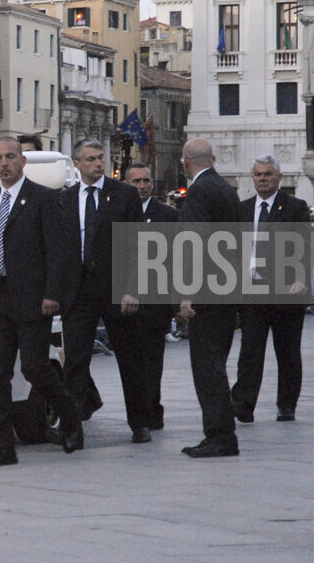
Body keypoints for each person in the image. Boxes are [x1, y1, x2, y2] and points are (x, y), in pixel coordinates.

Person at [0, 138, 80, 466]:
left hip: (31, 299)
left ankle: (71, 417)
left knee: (34, 368)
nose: (4, 164)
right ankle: (2, 446)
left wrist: (53, 294)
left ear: (22, 161)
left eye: (10, 157)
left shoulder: (44, 199)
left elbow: (59, 252)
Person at [58, 139, 152, 445]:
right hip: (78, 290)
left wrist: (131, 289)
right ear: (77, 164)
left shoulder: (124, 195)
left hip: (116, 288)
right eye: (90, 159)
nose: (98, 164)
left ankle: (140, 423)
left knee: (131, 357)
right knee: (75, 361)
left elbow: (136, 243)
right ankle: (73, 428)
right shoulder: (65, 199)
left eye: (101, 158)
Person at [231, 156, 311, 424]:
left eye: (267, 174)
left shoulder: (295, 207)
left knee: (287, 351)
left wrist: (301, 277)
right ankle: (243, 404)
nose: (262, 179)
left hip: (286, 289)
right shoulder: (242, 210)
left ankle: (287, 404)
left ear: (279, 177)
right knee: (250, 351)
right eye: (257, 174)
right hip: (253, 290)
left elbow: (304, 245)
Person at [175, 139, 243, 458]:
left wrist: (187, 295)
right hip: (227, 290)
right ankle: (220, 432)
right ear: (212, 159)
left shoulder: (199, 192)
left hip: (206, 293)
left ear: (185, 163)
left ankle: (220, 435)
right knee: (216, 363)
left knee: (207, 367)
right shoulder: (227, 190)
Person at [125, 162, 178, 430]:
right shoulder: (119, 211)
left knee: (153, 361)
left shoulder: (167, 216)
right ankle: (138, 411)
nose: (143, 186)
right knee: (132, 362)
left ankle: (152, 410)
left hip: (155, 301)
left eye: (147, 181)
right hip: (125, 301)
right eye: (137, 182)